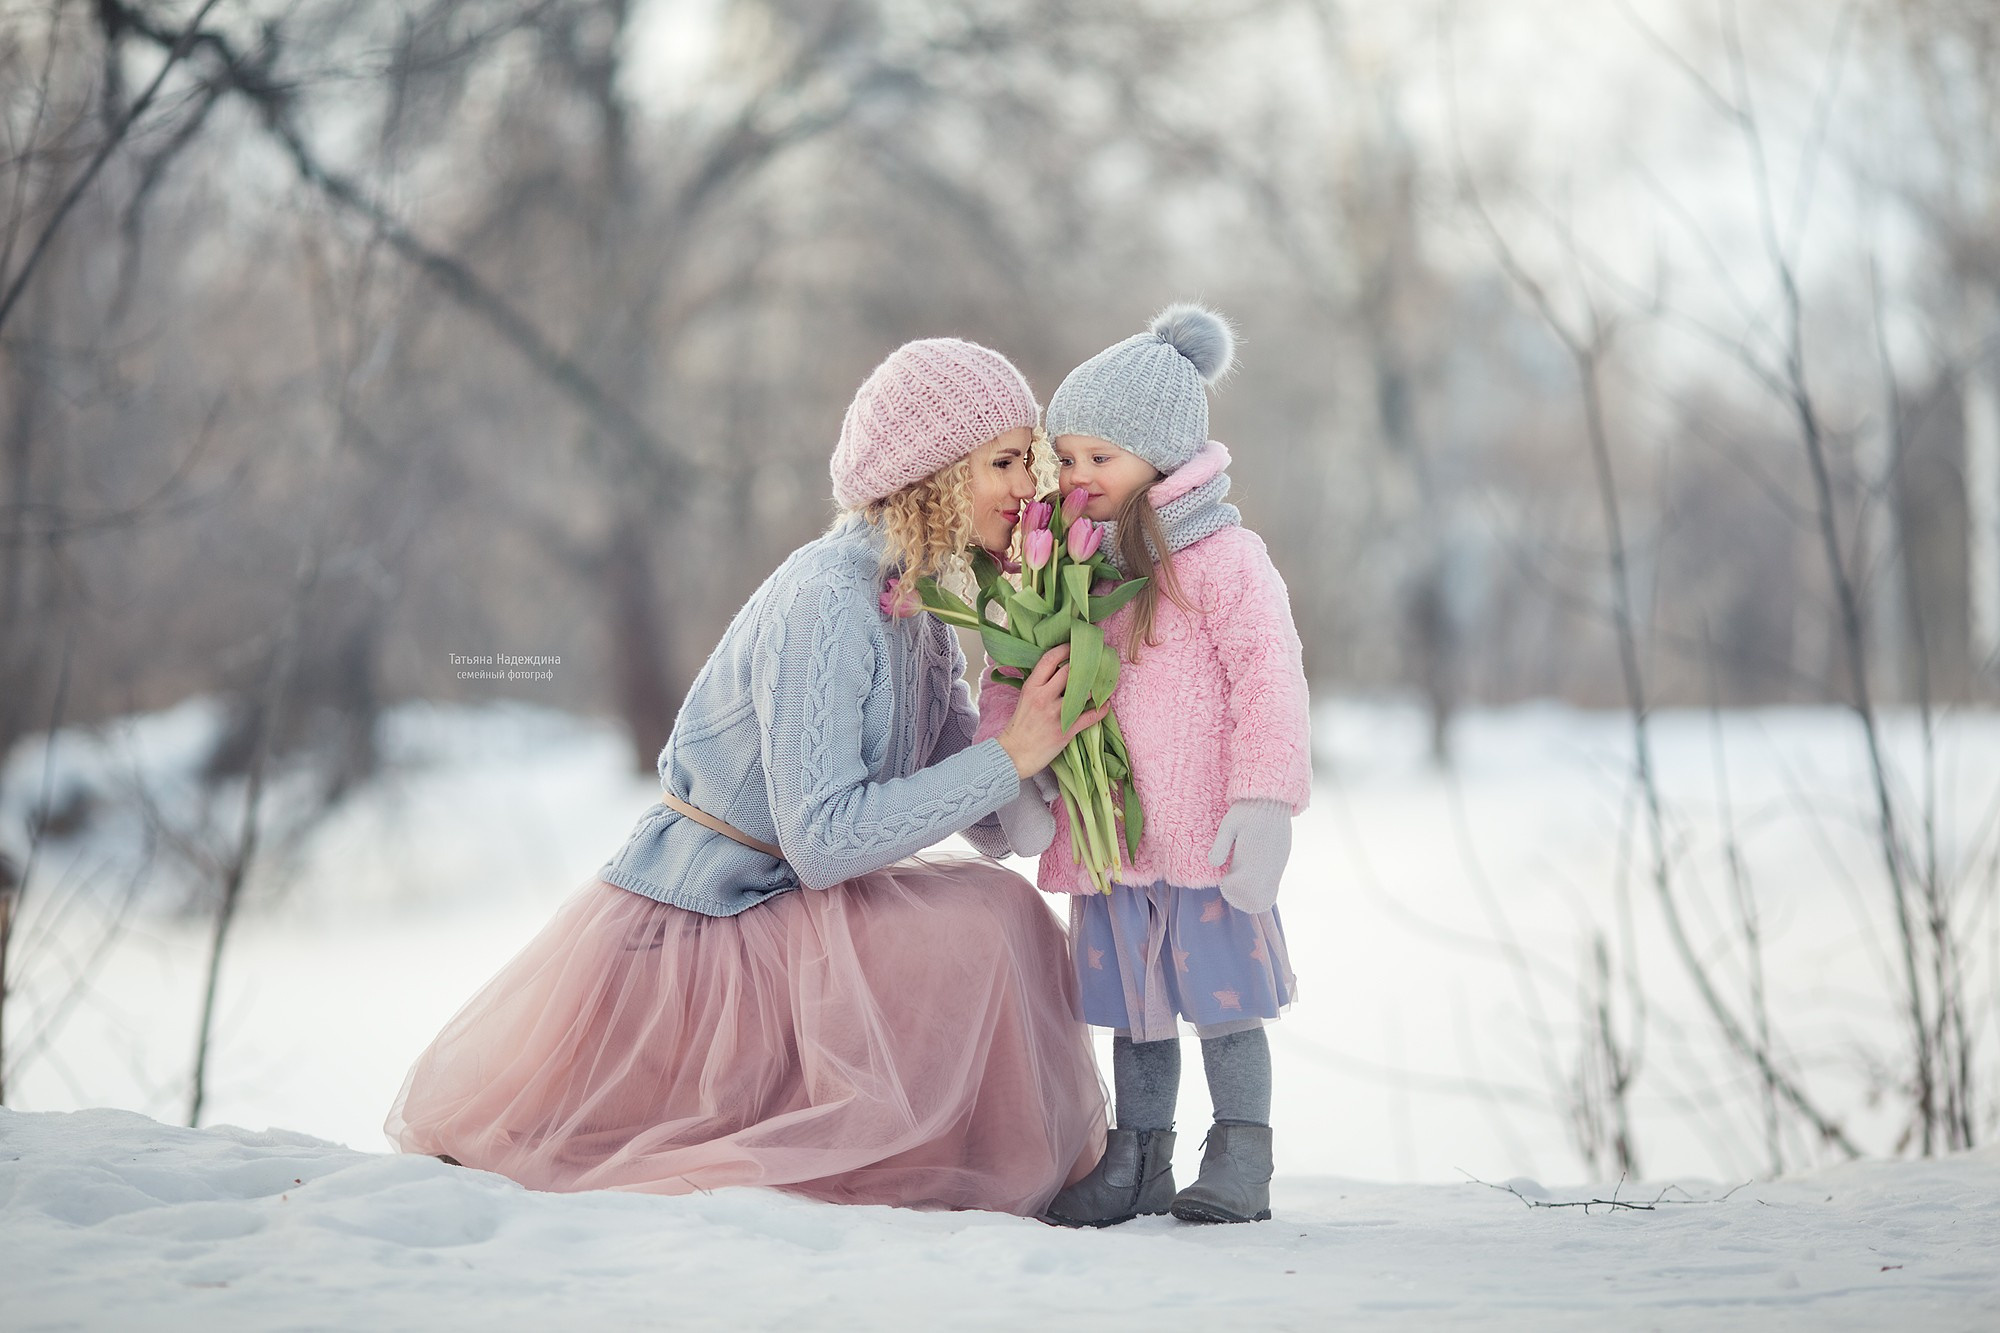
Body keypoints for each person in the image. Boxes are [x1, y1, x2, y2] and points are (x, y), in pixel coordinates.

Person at [388, 338, 1110, 1216]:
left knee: (1007, 911)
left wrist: (1031, 707)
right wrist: (1009, 756)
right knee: (977, 929)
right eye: (1003, 461)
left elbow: (992, 823)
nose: (1028, 486)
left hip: (788, 903)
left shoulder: (916, 609)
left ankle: (1029, 1169)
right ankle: (948, 1167)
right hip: (713, 913)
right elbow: (825, 840)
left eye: (1027, 460)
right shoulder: (830, 599)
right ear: (934, 473)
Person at [974, 304, 1311, 1226]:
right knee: (1135, 1013)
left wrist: (1266, 797)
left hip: (1203, 832)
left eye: (1102, 458)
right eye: (1069, 457)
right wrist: (1021, 782)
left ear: (1159, 458)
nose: (1080, 476)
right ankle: (1139, 1156)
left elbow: (1269, 679)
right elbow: (1013, 672)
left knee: (1224, 1003)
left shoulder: (1223, 561)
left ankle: (1242, 1151)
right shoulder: (1065, 567)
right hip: (1110, 835)